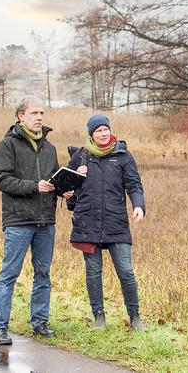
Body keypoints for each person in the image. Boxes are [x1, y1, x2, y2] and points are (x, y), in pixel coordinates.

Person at [0, 97, 68, 345]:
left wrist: (63, 189)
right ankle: (0, 327)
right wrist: (34, 186)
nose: (39, 117)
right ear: (20, 116)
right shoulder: (7, 145)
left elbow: (52, 181)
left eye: (42, 113)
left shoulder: (50, 148)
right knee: (9, 274)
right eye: (34, 112)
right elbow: (2, 180)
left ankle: (40, 322)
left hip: (46, 221)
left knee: (43, 273)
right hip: (18, 221)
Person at [68, 112, 147, 331]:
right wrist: (76, 174)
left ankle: (135, 316)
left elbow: (134, 184)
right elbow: (64, 187)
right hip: (88, 222)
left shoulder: (123, 155)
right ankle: (99, 316)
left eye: (105, 129)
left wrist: (138, 205)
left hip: (116, 223)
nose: (103, 133)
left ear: (110, 131)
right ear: (91, 135)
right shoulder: (81, 156)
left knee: (126, 271)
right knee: (93, 272)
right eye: (98, 131)